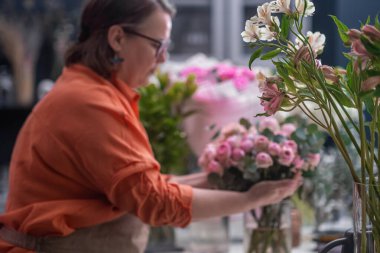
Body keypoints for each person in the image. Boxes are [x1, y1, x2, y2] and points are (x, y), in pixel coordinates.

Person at [0, 0, 302, 252]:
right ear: (117, 38)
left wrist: (215, 179)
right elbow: (154, 201)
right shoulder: (89, 102)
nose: (164, 58)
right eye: (157, 45)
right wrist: (251, 200)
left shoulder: (96, 91)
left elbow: (144, 186)